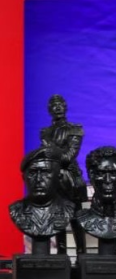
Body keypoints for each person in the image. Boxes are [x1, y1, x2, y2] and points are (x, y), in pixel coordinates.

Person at [40, 94, 87, 253]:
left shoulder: (75, 129)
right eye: (54, 105)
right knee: (58, 217)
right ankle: (61, 254)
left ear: (65, 107)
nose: (58, 107)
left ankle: (81, 253)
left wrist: (50, 149)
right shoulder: (45, 132)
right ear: (49, 109)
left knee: (75, 218)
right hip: (53, 177)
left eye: (61, 104)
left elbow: (68, 156)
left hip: (70, 178)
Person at [9, 147, 75, 239]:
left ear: (59, 177)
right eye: (32, 173)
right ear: (24, 178)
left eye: (45, 172)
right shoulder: (16, 210)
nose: (38, 179)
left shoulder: (68, 209)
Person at [73, 146, 116, 240]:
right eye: (101, 173)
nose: (107, 180)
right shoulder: (82, 217)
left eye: (114, 174)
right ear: (91, 175)